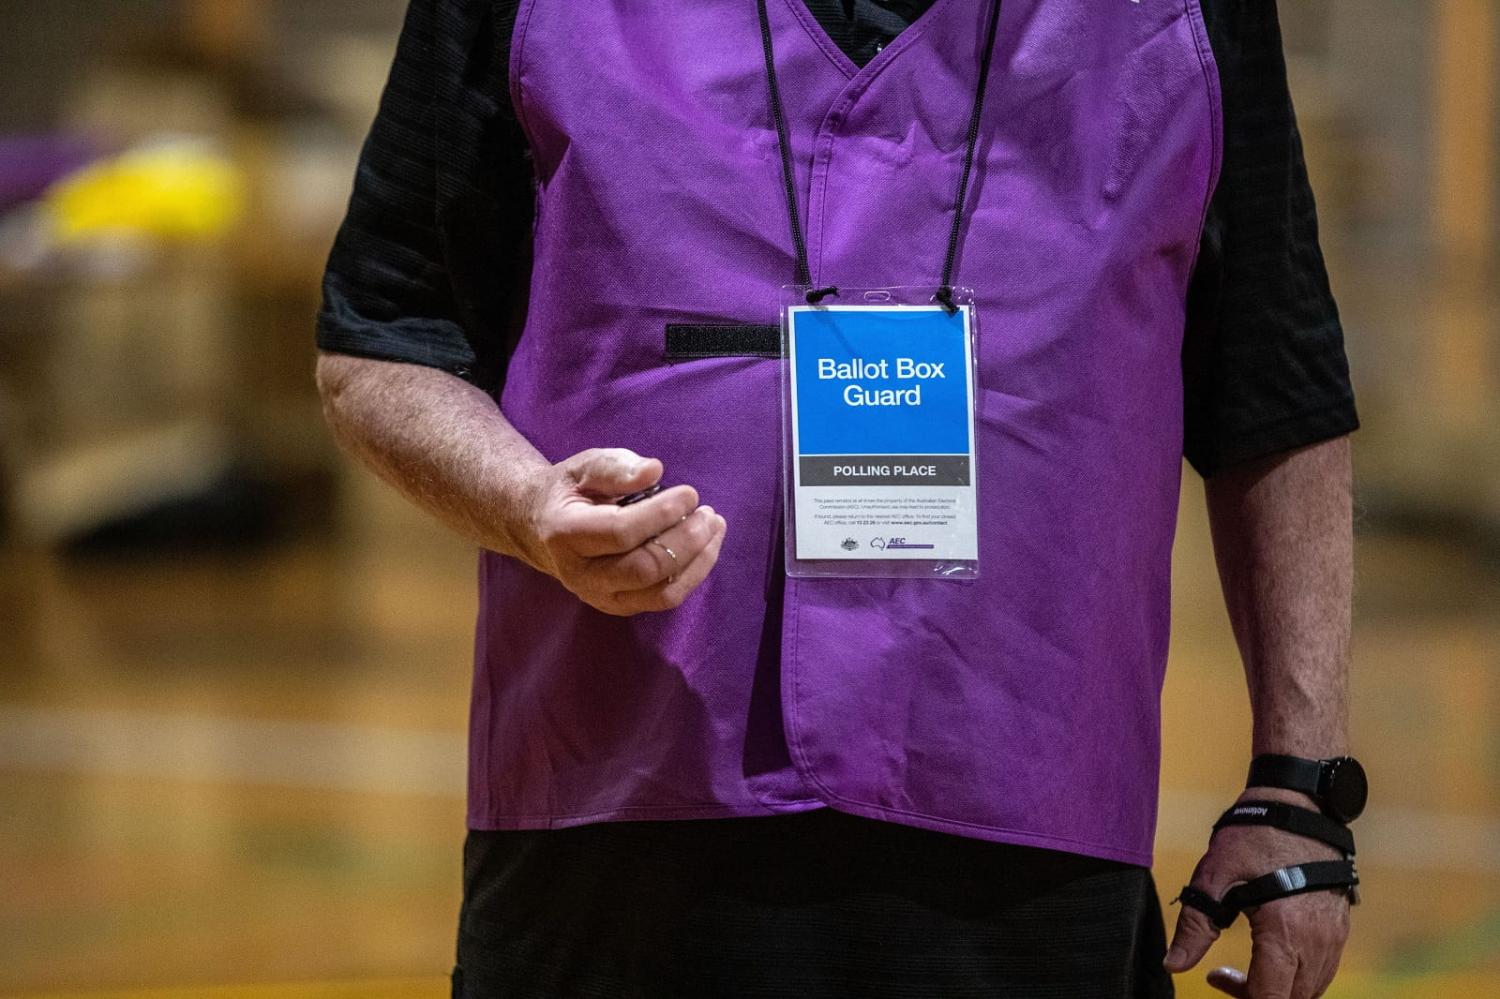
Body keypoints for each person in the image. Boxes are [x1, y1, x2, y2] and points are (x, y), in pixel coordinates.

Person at [315, 2, 1363, 996]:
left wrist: (1300, 786)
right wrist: (528, 506)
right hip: (616, 814)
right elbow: (381, 346)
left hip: (1029, 833)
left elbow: (1278, 392)